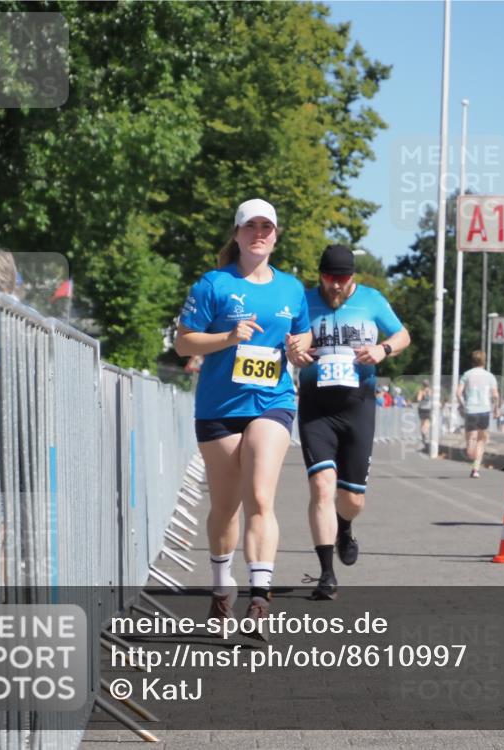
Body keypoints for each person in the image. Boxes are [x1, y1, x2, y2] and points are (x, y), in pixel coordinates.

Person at [174, 198, 313, 634]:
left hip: (272, 401)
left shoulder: (291, 288)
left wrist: (298, 350)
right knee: (225, 506)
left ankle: (259, 598)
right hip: (219, 408)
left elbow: (303, 332)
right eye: (250, 227)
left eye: (266, 228)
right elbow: (183, 344)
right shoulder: (212, 284)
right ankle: (220, 588)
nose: (259, 234)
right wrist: (227, 336)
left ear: (276, 236)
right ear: (236, 234)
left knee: (260, 496)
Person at [296, 244, 411, 599]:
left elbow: (402, 334)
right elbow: (289, 340)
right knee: (321, 487)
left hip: (358, 406)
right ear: (320, 275)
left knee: (353, 500)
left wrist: (383, 350)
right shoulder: (304, 301)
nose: (335, 286)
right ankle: (326, 574)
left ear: (352, 279)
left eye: (342, 280)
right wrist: (294, 351)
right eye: (330, 278)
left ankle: (344, 526)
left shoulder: (372, 300)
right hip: (316, 407)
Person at [457, 350, 499, 478]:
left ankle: (471, 452)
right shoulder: (490, 376)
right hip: (484, 410)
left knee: (471, 440)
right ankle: (476, 468)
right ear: (484, 361)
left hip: (471, 409)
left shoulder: (466, 375)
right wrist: (496, 408)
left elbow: (458, 393)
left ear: (472, 361)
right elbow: (495, 395)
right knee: (481, 440)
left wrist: (463, 405)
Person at [416, 379, 433, 447]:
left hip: (421, 408)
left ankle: (423, 434)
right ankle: (424, 433)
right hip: (427, 408)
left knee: (423, 423)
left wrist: (422, 395)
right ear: (428, 384)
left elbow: (418, 399)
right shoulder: (430, 391)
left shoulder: (421, 391)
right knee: (427, 423)